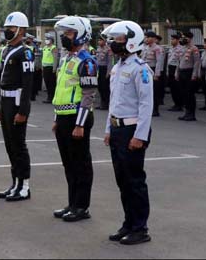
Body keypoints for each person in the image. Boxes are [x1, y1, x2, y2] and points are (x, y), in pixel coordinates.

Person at [102, 20, 153, 245]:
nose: (114, 43)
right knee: (122, 180)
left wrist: (139, 136)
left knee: (134, 180)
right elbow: (114, 102)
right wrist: (108, 129)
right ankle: (128, 223)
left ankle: (140, 228)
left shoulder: (140, 69)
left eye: (119, 39)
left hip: (132, 130)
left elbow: (146, 104)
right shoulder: (118, 67)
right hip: (117, 128)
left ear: (132, 42)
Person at [51, 16, 97, 222]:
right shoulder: (67, 58)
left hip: (77, 119)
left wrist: (79, 124)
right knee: (68, 164)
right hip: (63, 117)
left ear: (81, 35)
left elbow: (88, 95)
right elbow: (61, 91)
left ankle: (81, 206)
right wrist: (56, 117)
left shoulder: (87, 61)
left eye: (69, 33)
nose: (65, 37)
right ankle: (72, 203)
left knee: (81, 164)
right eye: (64, 34)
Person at [0, 12, 34, 202]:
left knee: (19, 145)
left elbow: (27, 85)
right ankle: (15, 183)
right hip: (6, 102)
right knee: (10, 145)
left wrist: (23, 110)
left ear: (20, 30)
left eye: (10, 28)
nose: (7, 31)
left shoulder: (25, 52)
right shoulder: (6, 50)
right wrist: (1, 108)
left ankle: (24, 186)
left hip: (18, 102)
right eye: (7, 28)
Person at [175, 31, 201, 121]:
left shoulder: (194, 48)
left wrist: (194, 75)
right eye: (182, 37)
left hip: (189, 73)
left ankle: (191, 114)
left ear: (190, 38)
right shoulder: (182, 48)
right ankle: (186, 112)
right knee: (184, 94)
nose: (182, 39)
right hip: (182, 72)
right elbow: (179, 62)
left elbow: (197, 62)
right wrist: (177, 73)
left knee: (190, 94)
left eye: (184, 37)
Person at [141, 31, 164, 116]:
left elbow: (159, 61)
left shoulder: (158, 48)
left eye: (147, 37)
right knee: (145, 89)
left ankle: (155, 109)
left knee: (154, 91)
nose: (146, 39)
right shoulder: (145, 47)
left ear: (153, 38)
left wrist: (157, 74)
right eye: (145, 37)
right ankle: (148, 108)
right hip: (145, 70)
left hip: (153, 70)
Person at [166, 32, 185, 111]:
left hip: (176, 69)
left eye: (173, 39)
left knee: (177, 88)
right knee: (172, 88)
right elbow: (168, 60)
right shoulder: (171, 48)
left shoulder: (180, 49)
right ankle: (176, 104)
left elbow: (179, 61)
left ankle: (179, 105)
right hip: (170, 68)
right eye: (171, 39)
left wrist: (177, 72)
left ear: (177, 40)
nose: (171, 41)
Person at [96, 35, 114, 110]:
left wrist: (108, 72)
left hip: (105, 69)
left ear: (104, 41)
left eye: (101, 40)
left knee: (105, 87)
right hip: (98, 69)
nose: (99, 42)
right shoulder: (98, 48)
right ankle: (102, 103)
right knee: (99, 86)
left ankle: (106, 104)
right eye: (98, 40)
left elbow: (110, 62)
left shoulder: (108, 49)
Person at [42, 32, 58, 103]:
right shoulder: (44, 48)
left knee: (52, 84)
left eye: (48, 39)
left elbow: (55, 59)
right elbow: (43, 58)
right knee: (47, 83)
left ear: (51, 40)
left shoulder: (53, 48)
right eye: (46, 39)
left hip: (51, 68)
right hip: (45, 68)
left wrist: (54, 68)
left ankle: (52, 98)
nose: (46, 40)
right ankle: (49, 97)